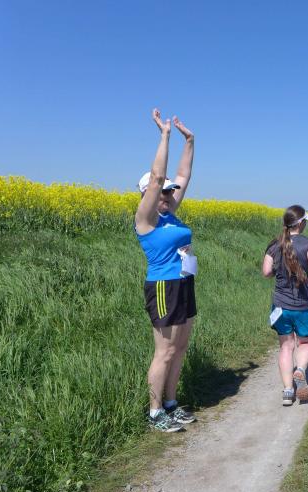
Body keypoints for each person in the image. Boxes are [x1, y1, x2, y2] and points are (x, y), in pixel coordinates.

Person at [135, 108, 197, 432]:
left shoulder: (170, 213)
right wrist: (165, 134)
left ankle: (171, 404)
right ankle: (155, 412)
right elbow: (158, 177)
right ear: (148, 193)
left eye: (171, 191)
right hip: (163, 286)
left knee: (180, 347)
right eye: (164, 191)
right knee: (165, 351)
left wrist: (190, 141)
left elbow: (182, 176)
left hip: (184, 283)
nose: (170, 193)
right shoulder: (146, 220)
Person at [262, 205, 308, 406]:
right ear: (301, 223)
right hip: (303, 304)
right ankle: (300, 369)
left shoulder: (274, 244)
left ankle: (288, 391)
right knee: (305, 343)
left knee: (285, 347)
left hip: (280, 305)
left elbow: (266, 272)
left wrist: (277, 272)